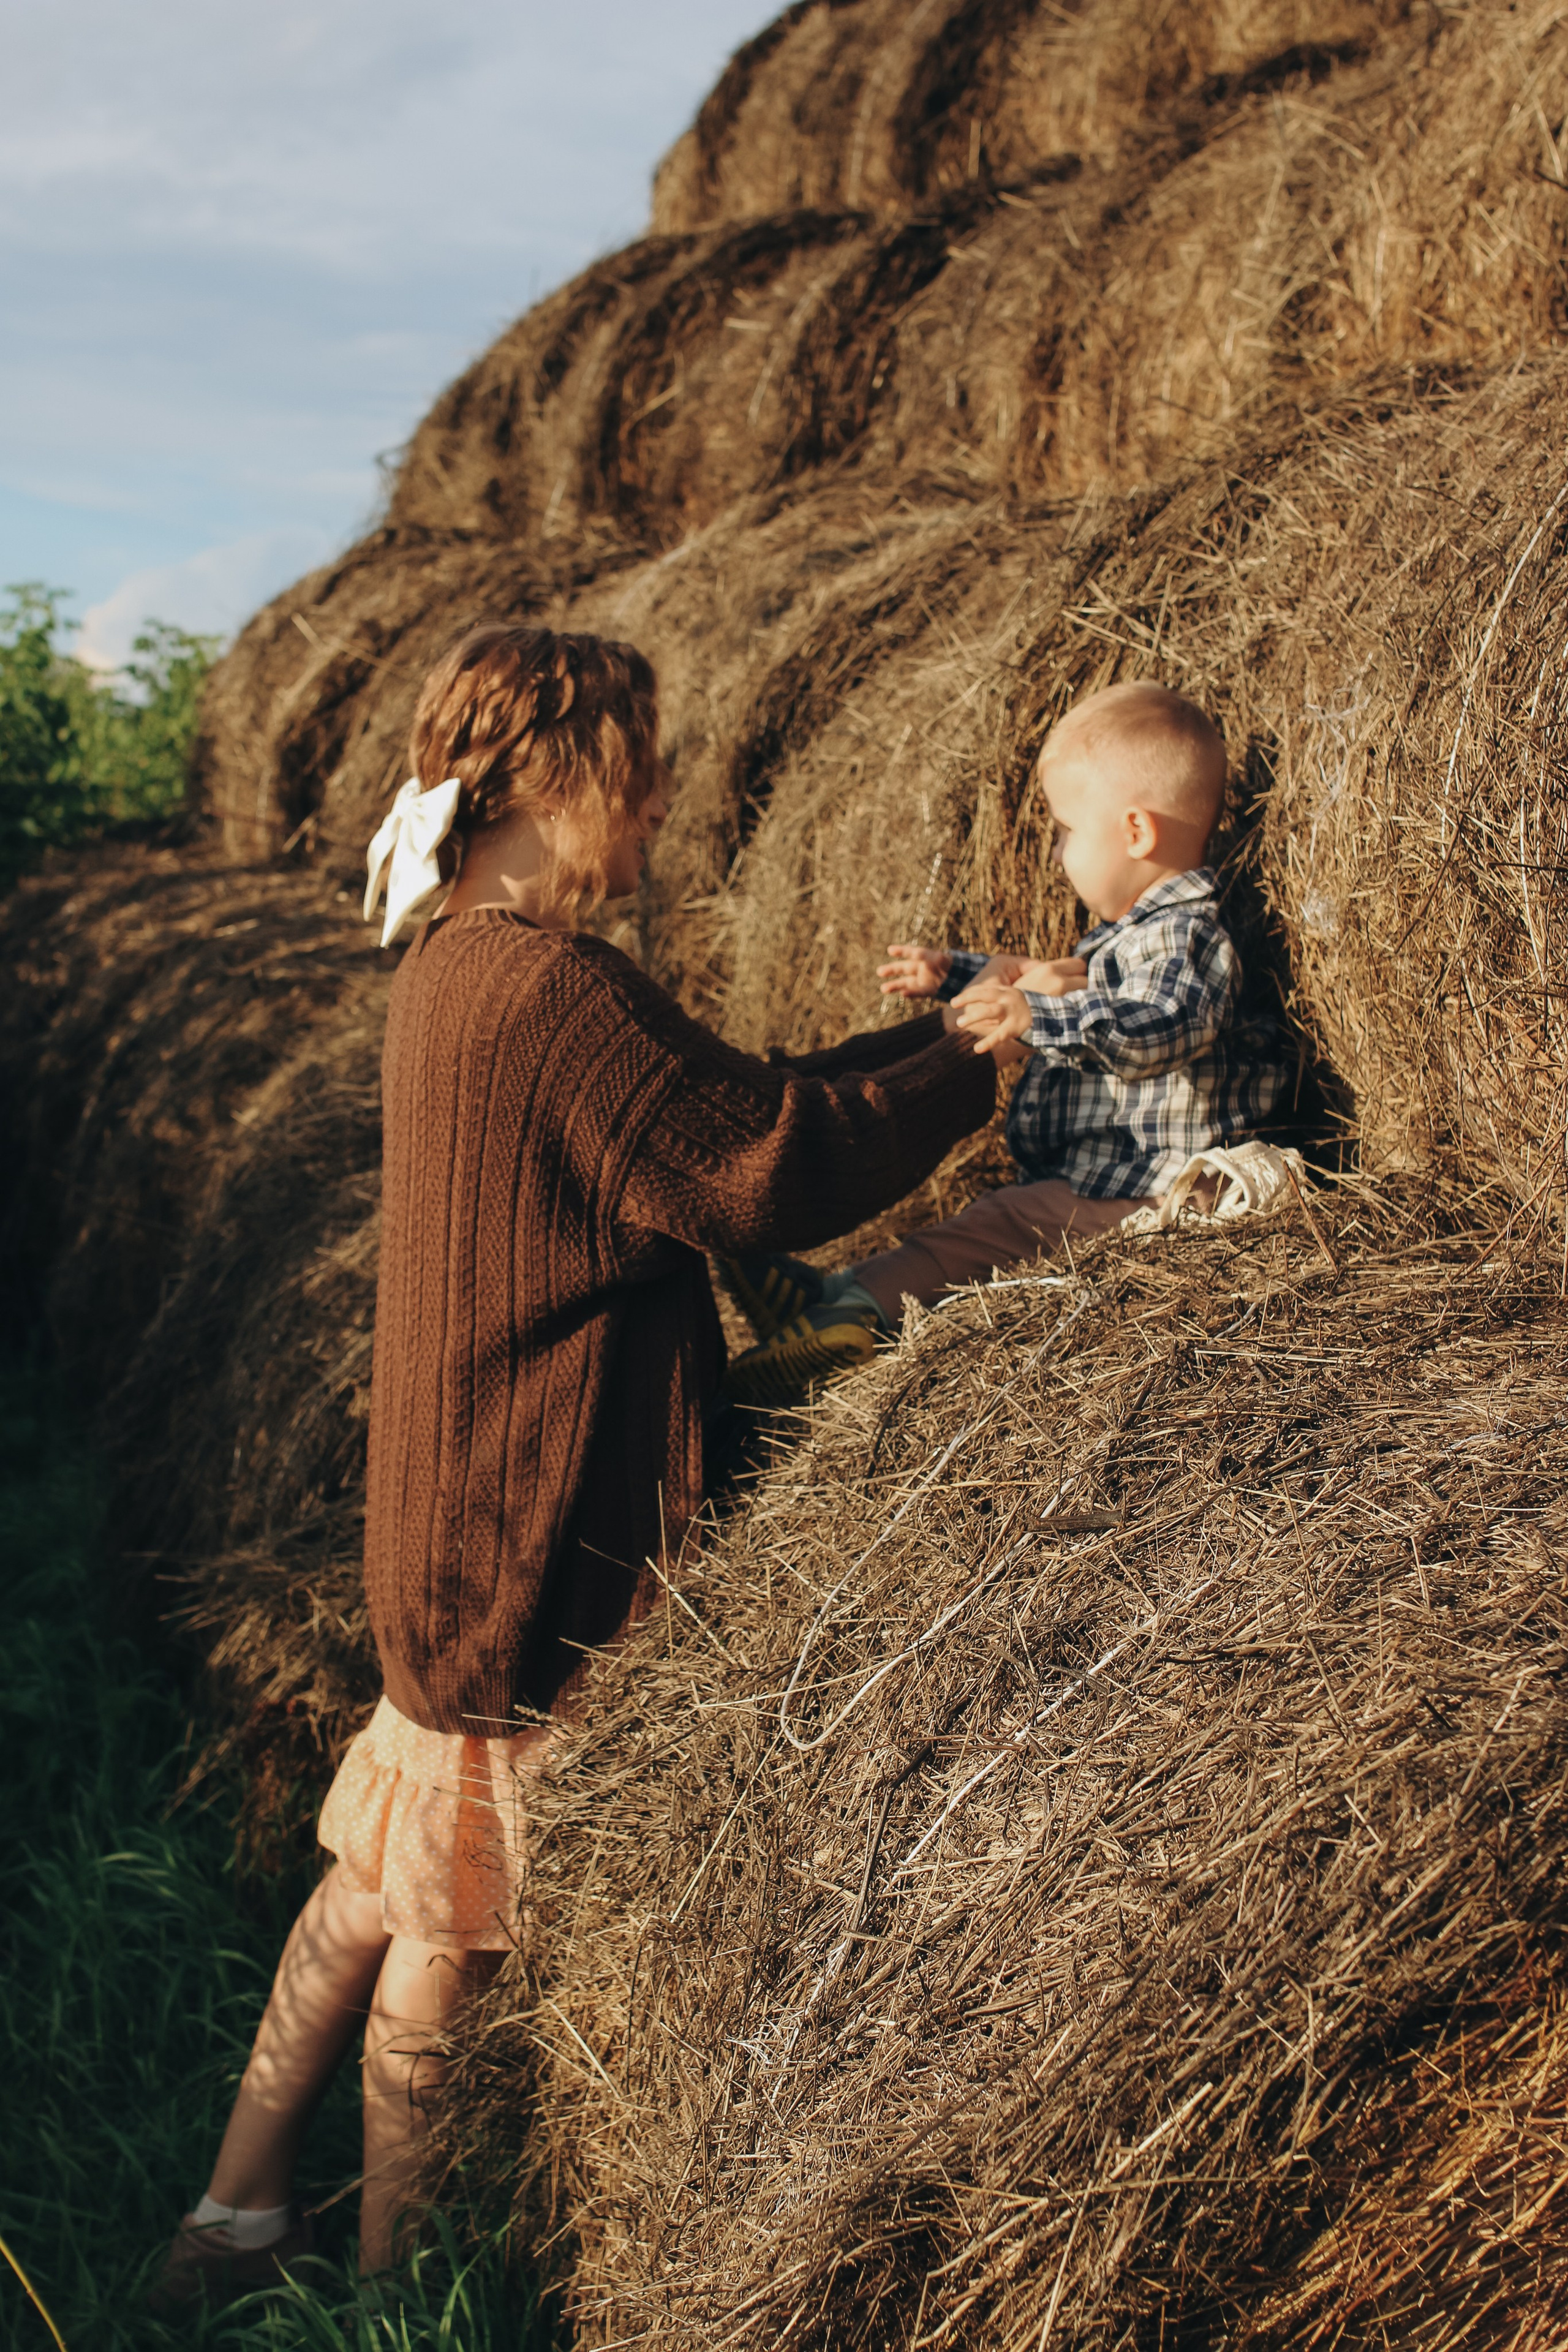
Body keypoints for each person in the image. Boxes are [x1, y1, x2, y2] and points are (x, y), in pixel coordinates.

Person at [149, 624, 996, 2315]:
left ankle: (234, 2215)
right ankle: (401, 2294)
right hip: (528, 1536)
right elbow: (758, 1170)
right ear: (561, 773)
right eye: (647, 763)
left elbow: (723, 1110)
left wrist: (922, 1053)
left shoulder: (461, 964)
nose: (666, 801)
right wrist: (974, 1068)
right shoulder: (551, 984)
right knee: (444, 1940)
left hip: (446, 1514)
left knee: (370, 1879)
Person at [724, 681, 1288, 1404]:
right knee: (979, 1228)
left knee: (980, 1231)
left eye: (1064, 830)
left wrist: (1037, 1019)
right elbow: (1049, 983)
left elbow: (1161, 1031)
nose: (1055, 852)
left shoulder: (1186, 936)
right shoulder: (1131, 938)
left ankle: (845, 1313)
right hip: (1103, 1181)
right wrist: (954, 974)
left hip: (1148, 1190)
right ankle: (830, 1299)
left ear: (1136, 833)